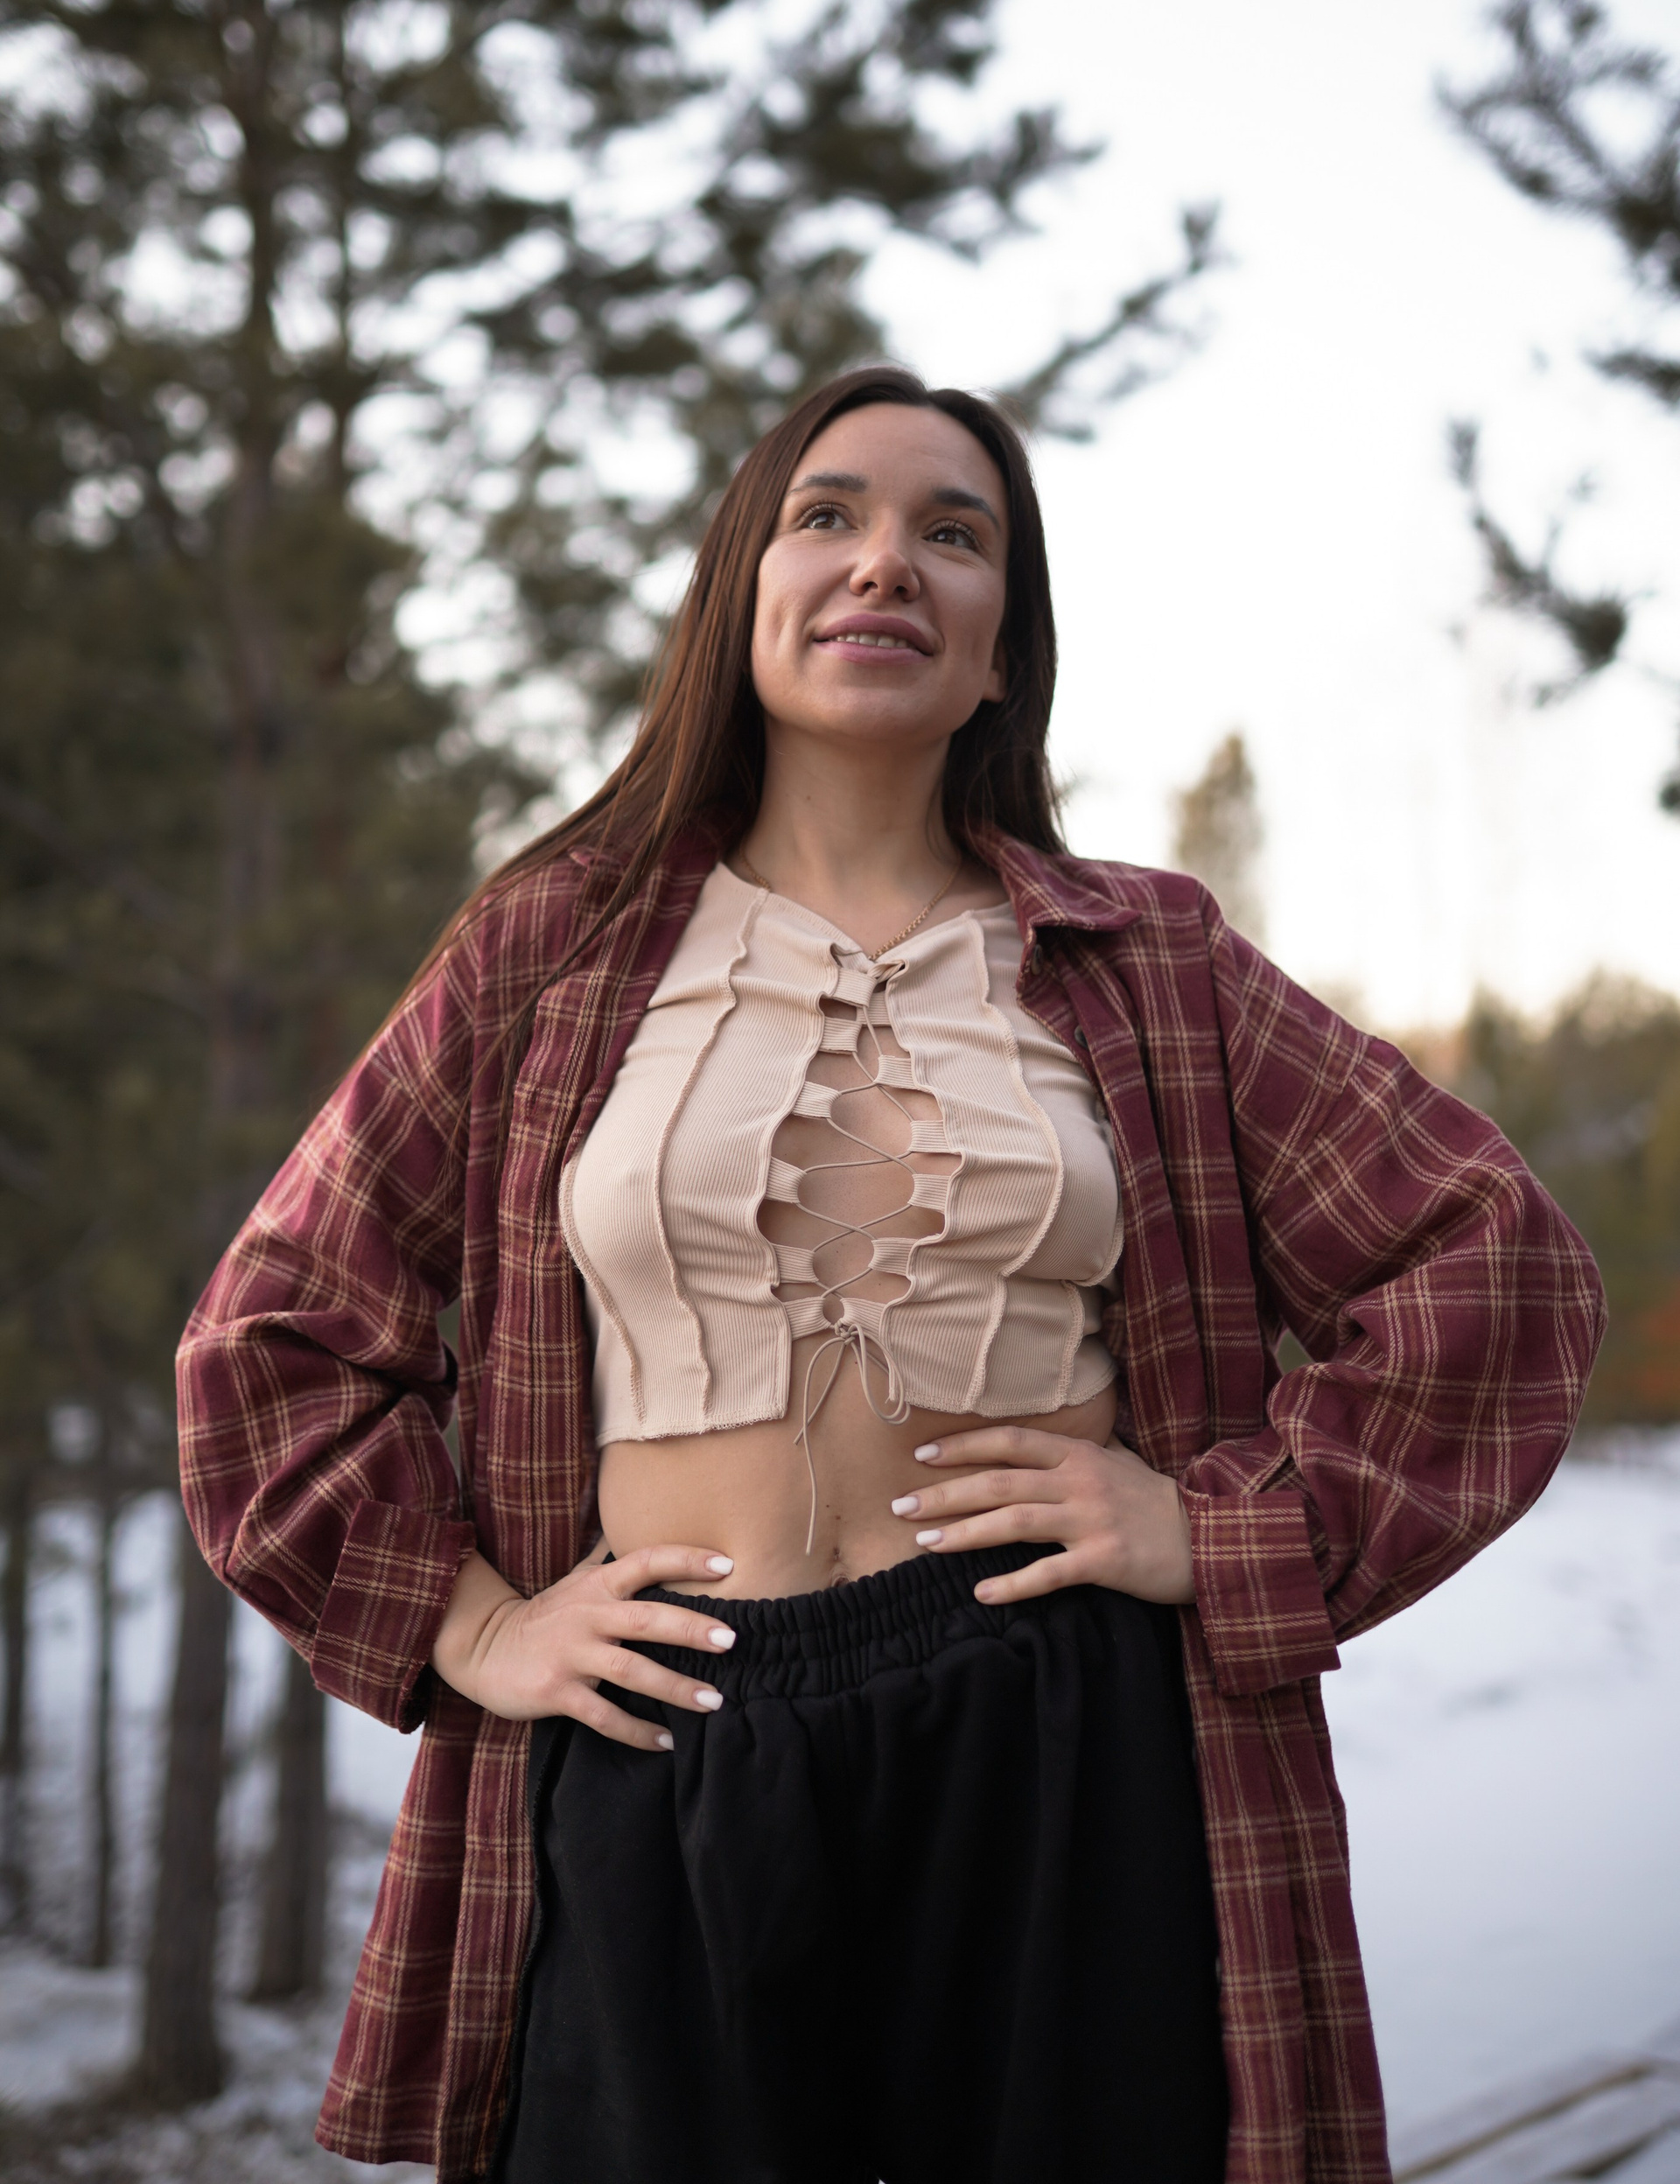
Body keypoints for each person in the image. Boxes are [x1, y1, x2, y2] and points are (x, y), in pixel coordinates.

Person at [178, 366, 1604, 2184]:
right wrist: (476, 1630)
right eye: (829, 516)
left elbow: (1500, 1269)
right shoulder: (552, 952)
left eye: (955, 534)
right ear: (745, 595)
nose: (886, 564)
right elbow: (271, 1340)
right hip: (661, 1727)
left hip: (1062, 1733)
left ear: (1003, 648)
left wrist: (1219, 1530)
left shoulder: (1149, 959)